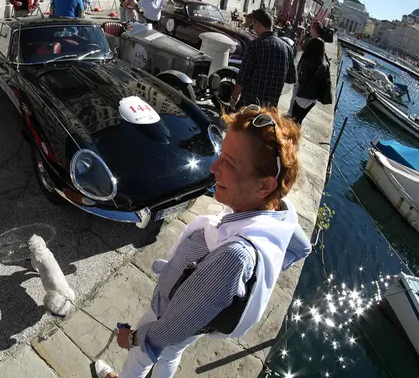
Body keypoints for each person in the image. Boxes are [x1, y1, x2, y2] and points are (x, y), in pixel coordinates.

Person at [94, 106, 311, 378]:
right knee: (172, 353)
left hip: (168, 313)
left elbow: (170, 329)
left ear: (263, 187)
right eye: (221, 154)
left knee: (141, 357)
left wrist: (134, 338)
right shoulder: (277, 214)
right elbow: (301, 247)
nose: (213, 167)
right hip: (199, 321)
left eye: (229, 163)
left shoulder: (234, 256)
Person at [230, 8, 296, 109]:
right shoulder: (287, 49)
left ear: (258, 24)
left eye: (253, 24)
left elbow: (242, 77)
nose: (253, 28)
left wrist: (234, 98)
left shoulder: (254, 46)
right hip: (270, 109)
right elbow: (291, 79)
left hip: (249, 105)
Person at [290, 22, 328, 124]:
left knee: (293, 119)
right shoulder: (324, 65)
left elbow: (302, 80)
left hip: (302, 96)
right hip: (312, 99)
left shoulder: (307, 63)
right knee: (299, 121)